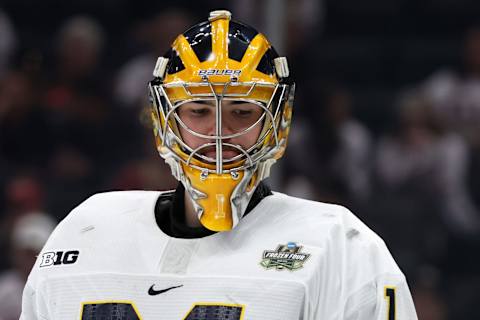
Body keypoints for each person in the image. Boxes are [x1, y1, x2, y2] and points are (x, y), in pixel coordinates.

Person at [21, 10, 417, 319]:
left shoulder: (341, 246)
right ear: (165, 120)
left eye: (242, 112)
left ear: (276, 122)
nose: (218, 133)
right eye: (197, 111)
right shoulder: (84, 229)